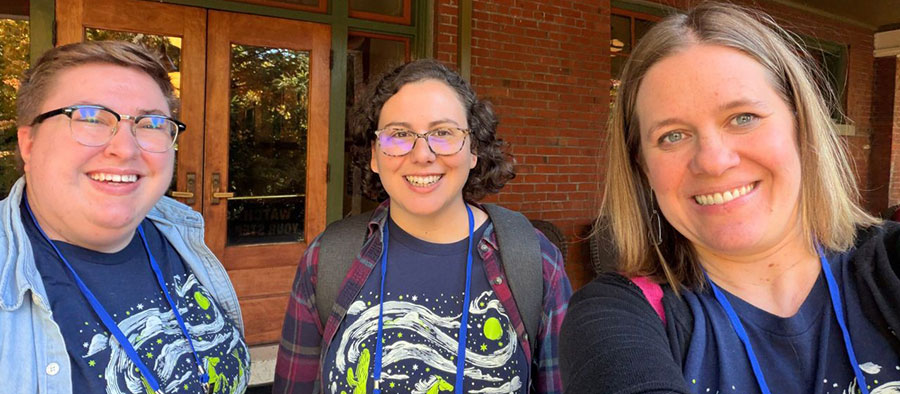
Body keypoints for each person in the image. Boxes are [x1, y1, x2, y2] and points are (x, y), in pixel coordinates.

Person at [560, 3, 900, 394]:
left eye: (743, 118)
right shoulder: (614, 319)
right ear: (642, 168)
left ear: (800, 127)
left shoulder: (889, 266)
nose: (713, 161)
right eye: (672, 135)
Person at [273, 59, 572, 394]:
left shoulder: (536, 262)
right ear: (374, 154)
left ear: (473, 150)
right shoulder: (325, 261)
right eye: (399, 134)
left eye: (443, 133)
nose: (422, 154)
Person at [0, 41, 250, 394]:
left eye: (150, 124)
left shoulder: (178, 233)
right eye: (90, 117)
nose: (126, 148)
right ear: (28, 143)